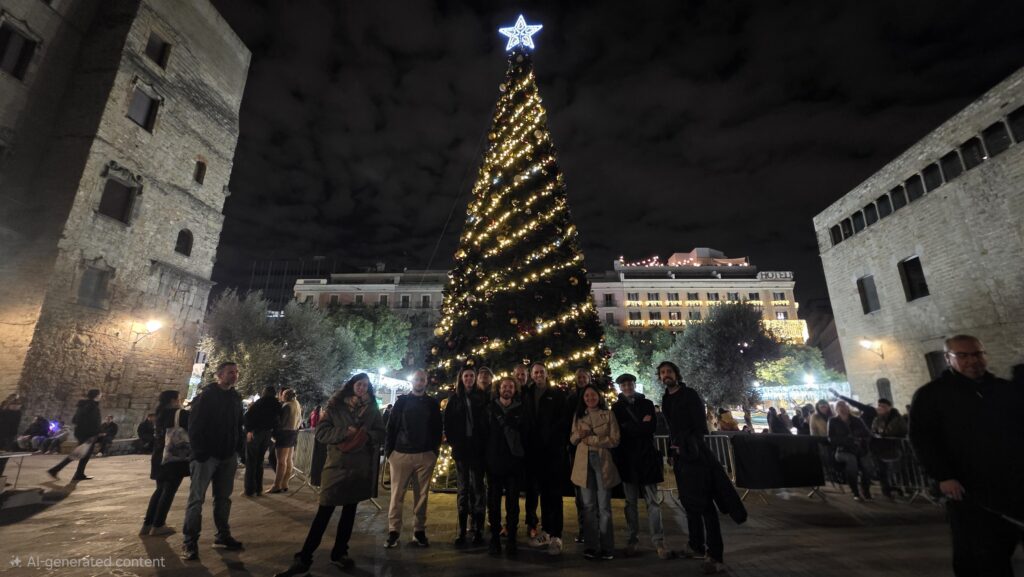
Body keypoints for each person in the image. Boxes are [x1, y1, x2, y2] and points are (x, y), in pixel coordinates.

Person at [910, 335, 1024, 577]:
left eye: (977, 354)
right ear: (948, 359)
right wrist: (943, 476)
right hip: (967, 489)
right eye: (963, 355)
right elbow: (923, 440)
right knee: (979, 554)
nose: (973, 361)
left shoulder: (1003, 389)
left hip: (1012, 486)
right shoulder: (932, 395)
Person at [273, 373, 386, 576]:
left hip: (359, 468)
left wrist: (367, 435)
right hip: (337, 466)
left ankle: (340, 552)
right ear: (352, 385)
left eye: (366, 386)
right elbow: (322, 433)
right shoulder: (336, 406)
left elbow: (380, 432)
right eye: (359, 384)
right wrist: (345, 432)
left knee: (349, 513)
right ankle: (304, 557)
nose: (362, 388)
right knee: (324, 512)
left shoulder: (372, 409)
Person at [659, 361, 725, 574]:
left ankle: (715, 554)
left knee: (705, 504)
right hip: (680, 457)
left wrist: (688, 445)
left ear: (676, 374)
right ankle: (695, 544)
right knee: (689, 502)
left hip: (696, 455)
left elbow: (699, 427)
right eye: (662, 373)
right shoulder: (666, 399)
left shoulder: (690, 395)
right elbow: (672, 429)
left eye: (669, 371)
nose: (666, 375)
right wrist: (672, 451)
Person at [181, 362, 245, 561]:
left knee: (224, 499)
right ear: (220, 375)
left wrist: (237, 450)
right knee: (196, 500)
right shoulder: (207, 396)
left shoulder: (235, 397)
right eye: (230, 372)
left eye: (236, 372)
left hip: (227, 456)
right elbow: (195, 425)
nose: (234, 376)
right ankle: (189, 541)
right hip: (206, 457)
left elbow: (238, 425)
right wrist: (200, 453)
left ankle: (223, 535)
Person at [612, 374, 671, 559]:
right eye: (624, 384)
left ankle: (658, 541)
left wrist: (631, 427)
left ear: (634, 385)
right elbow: (620, 431)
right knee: (630, 503)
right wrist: (639, 426)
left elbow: (651, 427)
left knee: (652, 502)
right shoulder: (616, 407)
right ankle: (632, 539)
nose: (627, 386)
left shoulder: (647, 403)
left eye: (630, 383)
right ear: (620, 387)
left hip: (645, 458)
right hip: (628, 460)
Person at [384, 369, 442, 548]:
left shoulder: (432, 404)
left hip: (425, 455)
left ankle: (419, 531)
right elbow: (391, 427)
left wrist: (433, 452)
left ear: (426, 382)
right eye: (417, 379)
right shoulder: (401, 402)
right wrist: (390, 453)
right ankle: (394, 531)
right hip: (401, 454)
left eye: (422, 379)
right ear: (413, 381)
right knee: (397, 496)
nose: (419, 382)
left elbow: (437, 428)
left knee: (422, 496)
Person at [522, 362, 568, 555]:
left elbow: (563, 420)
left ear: (546, 374)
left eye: (542, 372)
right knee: (543, 494)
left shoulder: (556, 394)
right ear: (531, 375)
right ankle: (547, 532)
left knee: (554, 494)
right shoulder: (526, 393)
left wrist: (552, 439)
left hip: (553, 452)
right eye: (536, 372)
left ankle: (556, 535)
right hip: (534, 453)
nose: (539, 375)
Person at [570, 384, 621, 561]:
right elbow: (573, 439)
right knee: (589, 506)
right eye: (586, 396)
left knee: (604, 507)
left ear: (599, 397)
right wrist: (579, 435)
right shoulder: (578, 416)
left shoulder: (608, 415)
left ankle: (607, 547)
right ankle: (591, 546)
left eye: (593, 395)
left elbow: (614, 440)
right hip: (584, 464)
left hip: (602, 462)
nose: (590, 398)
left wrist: (589, 438)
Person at [444, 367, 488, 546]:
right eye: (466, 376)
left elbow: (486, 422)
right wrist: (455, 442)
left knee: (478, 488)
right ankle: (462, 530)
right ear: (461, 379)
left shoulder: (482, 397)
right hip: (461, 450)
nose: (469, 378)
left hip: (477, 449)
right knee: (462, 490)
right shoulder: (454, 399)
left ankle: (478, 529)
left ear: (475, 377)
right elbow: (448, 423)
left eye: (472, 375)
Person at [484, 377, 526, 556]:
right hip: (494, 462)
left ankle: (511, 538)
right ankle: (495, 537)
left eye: (510, 386)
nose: (507, 389)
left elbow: (526, 433)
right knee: (493, 502)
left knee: (512, 503)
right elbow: (483, 434)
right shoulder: (489, 409)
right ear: (498, 389)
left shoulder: (522, 409)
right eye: (504, 386)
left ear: (515, 389)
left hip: (513, 463)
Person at [141, 390, 191, 537]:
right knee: (169, 491)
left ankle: (147, 524)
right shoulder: (181, 414)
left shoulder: (159, 414)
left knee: (159, 490)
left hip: (159, 456)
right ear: (173, 400)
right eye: (178, 398)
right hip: (174, 456)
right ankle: (158, 524)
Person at [47, 388, 103, 481]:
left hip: (81, 432)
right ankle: (56, 470)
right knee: (78, 453)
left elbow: (75, 419)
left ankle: (78, 473)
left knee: (83, 454)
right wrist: (96, 432)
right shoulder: (92, 406)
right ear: (97, 396)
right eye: (100, 394)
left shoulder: (83, 405)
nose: (101, 396)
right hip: (88, 434)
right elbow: (93, 422)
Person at [565, 367, 592, 544]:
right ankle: (584, 529)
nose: (581, 379)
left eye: (584, 377)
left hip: (596, 450)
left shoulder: (595, 397)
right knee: (580, 493)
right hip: (576, 449)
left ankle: (595, 529)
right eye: (579, 377)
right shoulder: (571, 399)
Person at [828, 400, 874, 501]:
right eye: (840, 407)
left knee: (868, 467)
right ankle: (855, 491)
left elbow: (867, 434)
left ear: (848, 408)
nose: (843, 409)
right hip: (842, 450)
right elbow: (831, 438)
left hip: (859, 449)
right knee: (851, 462)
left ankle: (865, 489)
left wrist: (860, 439)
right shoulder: (833, 421)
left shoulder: (857, 420)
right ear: (836, 410)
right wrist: (847, 441)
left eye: (844, 406)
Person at [244, 386, 280, 497]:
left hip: (256, 433)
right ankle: (259, 488)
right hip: (267, 434)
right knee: (259, 461)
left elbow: (248, 417)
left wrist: (249, 430)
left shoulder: (259, 403)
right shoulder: (277, 405)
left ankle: (250, 490)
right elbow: (277, 421)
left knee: (251, 461)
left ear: (265, 392)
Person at [870, 398, 907, 501]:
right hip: (880, 449)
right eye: (879, 405)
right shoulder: (877, 419)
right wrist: (877, 435)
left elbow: (903, 431)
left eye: (883, 406)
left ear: (889, 407)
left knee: (897, 470)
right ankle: (886, 490)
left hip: (894, 447)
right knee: (883, 471)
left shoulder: (897, 418)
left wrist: (885, 435)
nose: (880, 407)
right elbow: (873, 431)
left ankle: (901, 488)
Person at [270, 388, 302, 493]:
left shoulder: (287, 406)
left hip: (284, 434)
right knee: (289, 460)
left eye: (283, 394)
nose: (281, 396)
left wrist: (275, 433)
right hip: (293, 433)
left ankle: (276, 485)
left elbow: (282, 422)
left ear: (286, 395)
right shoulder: (296, 404)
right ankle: (285, 483)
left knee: (281, 462)